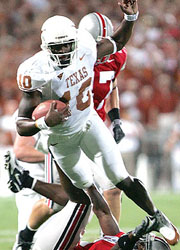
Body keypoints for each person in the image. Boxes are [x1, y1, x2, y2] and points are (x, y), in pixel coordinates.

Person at [14, 0, 179, 246]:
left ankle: (158, 216)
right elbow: (21, 123)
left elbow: (117, 42)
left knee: (119, 177)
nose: (63, 52)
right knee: (87, 192)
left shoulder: (86, 48)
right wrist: (43, 124)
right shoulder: (35, 71)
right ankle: (111, 240)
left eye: (67, 45)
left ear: (76, 41)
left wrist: (130, 19)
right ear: (45, 47)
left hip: (90, 123)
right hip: (60, 138)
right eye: (57, 48)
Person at [6, 156, 171, 250]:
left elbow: (118, 248)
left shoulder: (125, 243)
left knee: (82, 204)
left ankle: (56, 151)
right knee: (83, 196)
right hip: (58, 244)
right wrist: (90, 185)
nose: (142, 241)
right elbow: (103, 212)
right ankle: (26, 180)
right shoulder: (120, 238)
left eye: (144, 244)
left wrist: (133, 237)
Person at [78, 12, 127, 222]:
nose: (104, 51)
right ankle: (28, 234)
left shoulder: (118, 56)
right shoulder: (74, 60)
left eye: (106, 44)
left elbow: (112, 85)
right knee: (65, 200)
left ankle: (111, 240)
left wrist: (115, 118)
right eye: (99, 45)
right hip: (69, 131)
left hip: (95, 129)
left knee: (114, 186)